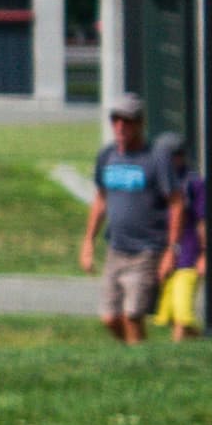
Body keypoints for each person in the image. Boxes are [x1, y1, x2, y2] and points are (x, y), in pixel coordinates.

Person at [83, 97, 182, 345]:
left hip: (147, 249)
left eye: (126, 121)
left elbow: (176, 202)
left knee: (132, 315)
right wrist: (88, 242)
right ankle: (134, 355)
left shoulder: (155, 158)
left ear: (140, 123)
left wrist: (171, 249)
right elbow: (100, 199)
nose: (120, 126)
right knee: (109, 317)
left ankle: (139, 360)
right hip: (116, 248)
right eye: (115, 120)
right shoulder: (107, 156)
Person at [161, 169, 210, 341]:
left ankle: (174, 352)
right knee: (169, 316)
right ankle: (203, 339)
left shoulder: (193, 183)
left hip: (189, 256)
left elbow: (203, 221)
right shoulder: (159, 179)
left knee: (182, 316)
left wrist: (204, 254)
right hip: (166, 258)